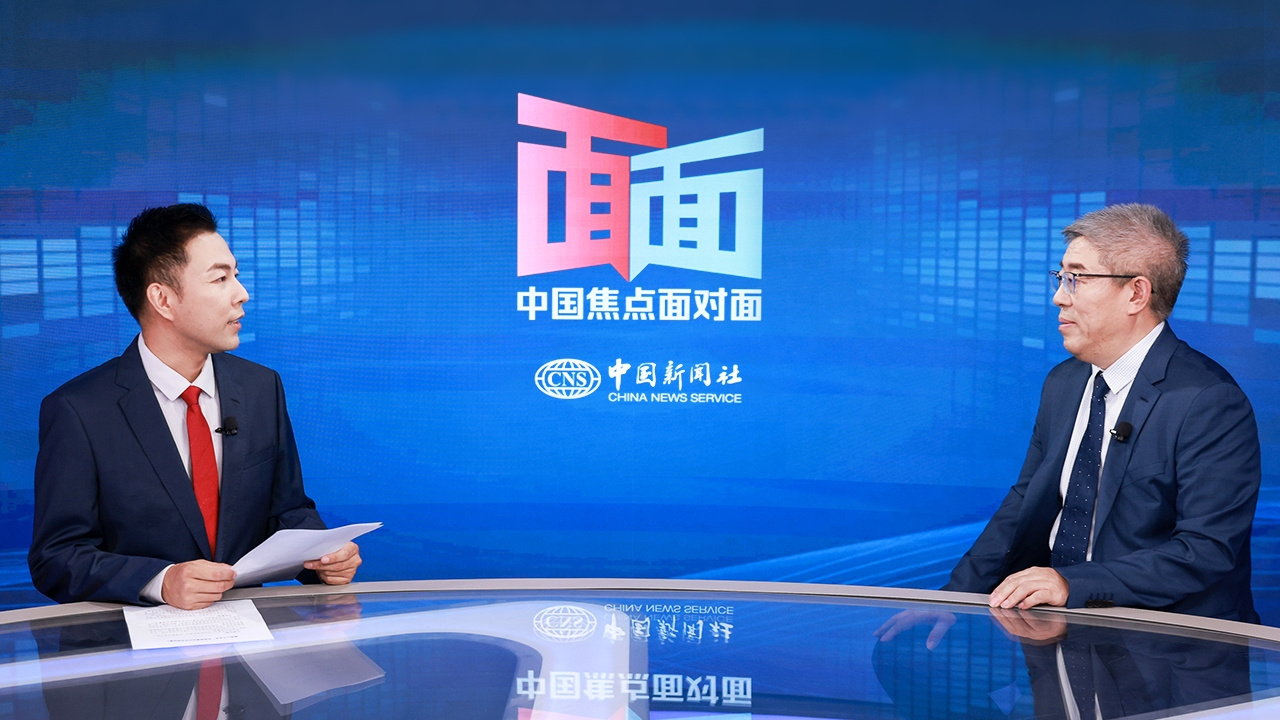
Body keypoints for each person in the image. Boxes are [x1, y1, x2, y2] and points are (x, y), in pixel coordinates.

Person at [28, 203, 362, 610]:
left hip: (249, 635)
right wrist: (161, 582)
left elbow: (288, 512)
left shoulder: (261, 388)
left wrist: (323, 558)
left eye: (236, 275)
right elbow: (57, 557)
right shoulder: (79, 410)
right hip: (135, 643)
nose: (242, 293)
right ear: (163, 299)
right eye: (220, 278)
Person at [944, 203, 1261, 622]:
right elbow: (1024, 504)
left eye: (1076, 278)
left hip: (1168, 647)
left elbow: (1205, 550)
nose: (1059, 296)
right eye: (1060, 277)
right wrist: (953, 600)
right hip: (1059, 630)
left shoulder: (1208, 401)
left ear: (1136, 293)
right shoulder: (1064, 382)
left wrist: (1071, 585)